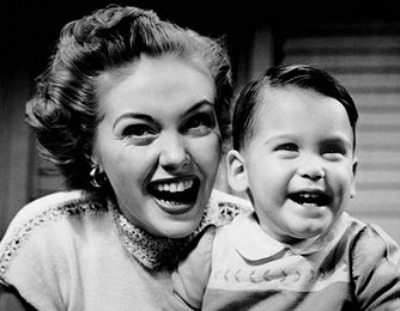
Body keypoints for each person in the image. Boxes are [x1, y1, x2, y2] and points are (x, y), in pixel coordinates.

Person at [0, 4, 252, 310]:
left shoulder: (260, 236)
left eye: (196, 122)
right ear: (89, 148)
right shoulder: (48, 240)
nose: (175, 156)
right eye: (139, 130)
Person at [171, 64, 400, 310]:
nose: (314, 169)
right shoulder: (211, 254)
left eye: (332, 151)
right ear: (240, 171)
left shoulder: (363, 252)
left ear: (352, 176)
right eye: (289, 148)